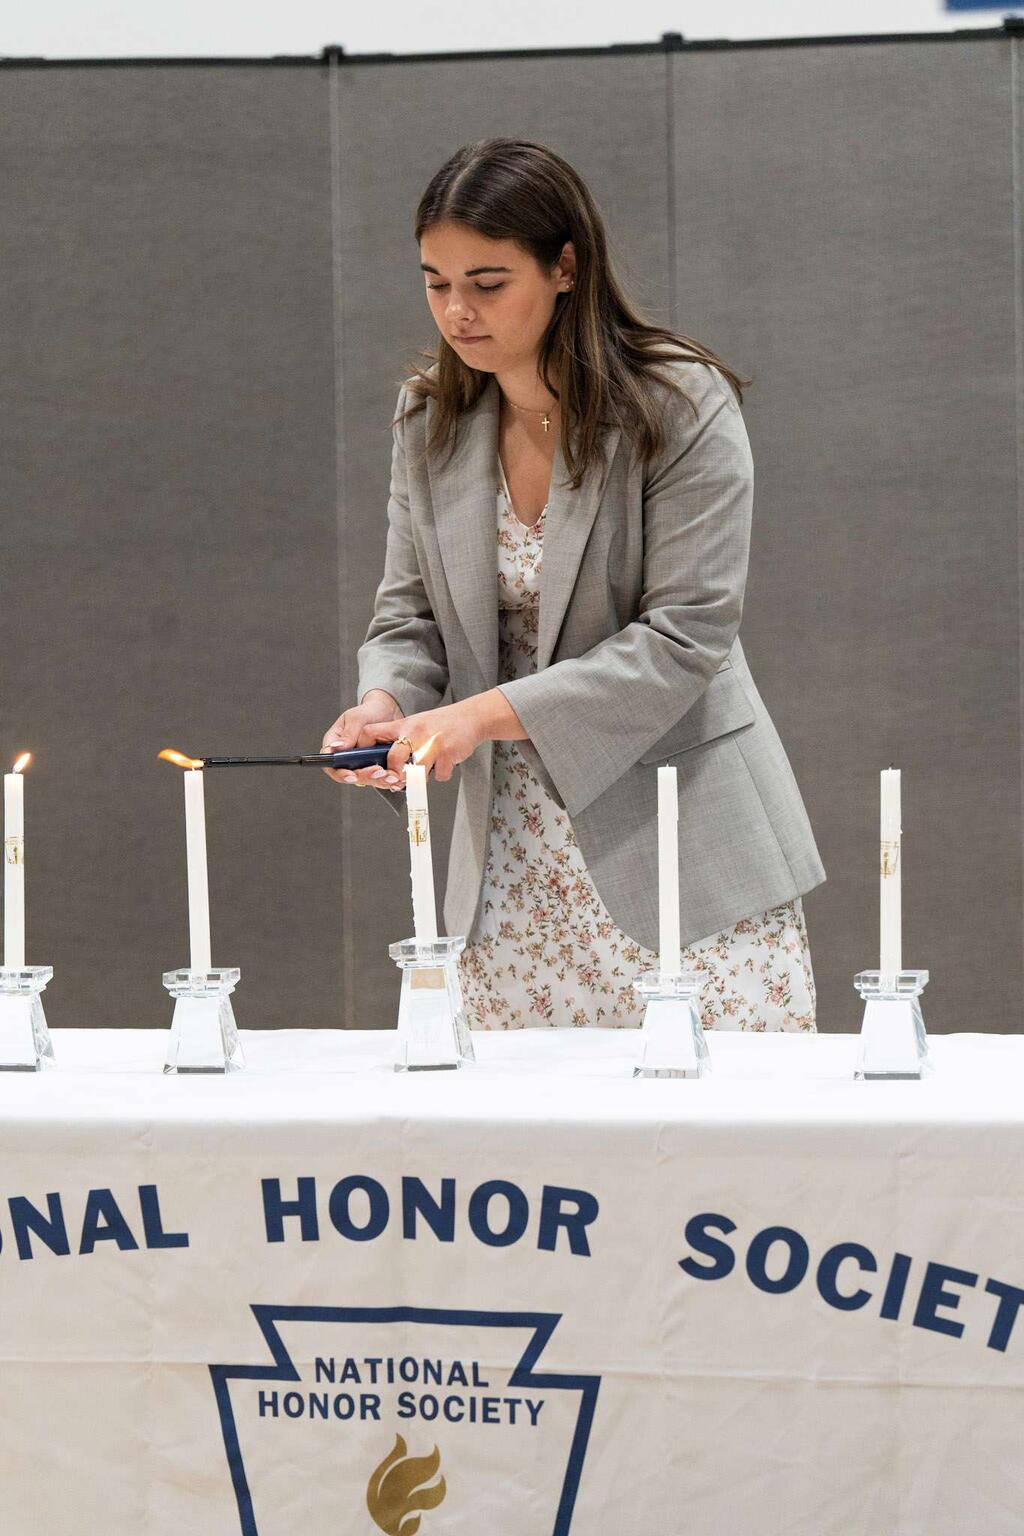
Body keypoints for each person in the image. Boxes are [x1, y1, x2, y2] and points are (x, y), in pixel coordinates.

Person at [321, 137, 826, 1032]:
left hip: (683, 849)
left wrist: (474, 717)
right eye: (436, 283)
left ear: (564, 267)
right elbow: (409, 614)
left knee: (717, 1121)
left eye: (488, 283)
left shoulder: (678, 402)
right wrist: (382, 704)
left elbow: (686, 637)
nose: (457, 311)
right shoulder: (429, 416)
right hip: (510, 869)